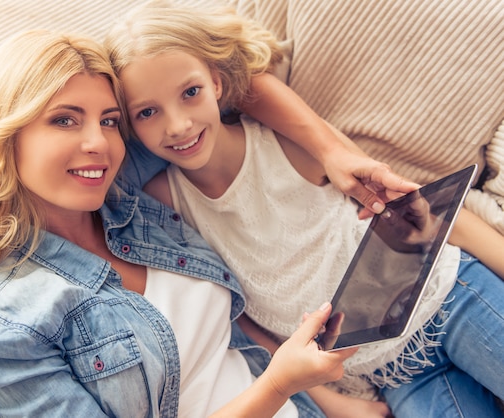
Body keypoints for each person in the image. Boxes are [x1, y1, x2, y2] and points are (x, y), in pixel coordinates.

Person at [104, 2, 504, 417]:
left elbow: (414, 208)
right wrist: (331, 402)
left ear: (217, 84)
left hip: (448, 296)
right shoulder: (159, 203)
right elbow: (238, 318)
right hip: (392, 374)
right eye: (148, 112)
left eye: (190, 93)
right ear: (128, 124)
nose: (179, 125)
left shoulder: (284, 142)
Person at [0, 29, 370, 418]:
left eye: (109, 121)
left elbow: (220, 87)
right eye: (64, 120)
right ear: (6, 134)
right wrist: (280, 383)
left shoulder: (121, 196)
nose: (98, 144)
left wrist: (336, 153)